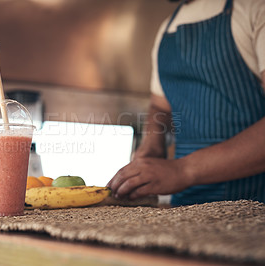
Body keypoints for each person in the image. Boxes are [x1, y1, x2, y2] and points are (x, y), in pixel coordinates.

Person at [107, 0, 265, 206]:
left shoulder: (255, 9)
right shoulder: (167, 28)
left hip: (254, 206)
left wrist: (182, 170)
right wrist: (152, 145)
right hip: (185, 205)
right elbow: (160, 107)